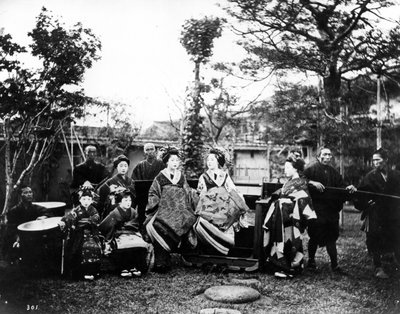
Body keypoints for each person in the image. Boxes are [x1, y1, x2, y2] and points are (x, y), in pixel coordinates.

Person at [144, 147, 197, 273]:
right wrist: (158, 204)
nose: (175, 162)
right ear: (167, 161)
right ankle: (161, 262)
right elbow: (153, 193)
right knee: (159, 225)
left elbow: (188, 192)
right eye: (172, 160)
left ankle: (181, 255)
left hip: (180, 210)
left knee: (187, 220)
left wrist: (194, 198)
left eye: (177, 160)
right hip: (164, 210)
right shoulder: (160, 177)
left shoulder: (181, 177)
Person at [303, 147, 356, 272]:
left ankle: (334, 265)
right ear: (318, 156)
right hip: (316, 209)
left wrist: (348, 187)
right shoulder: (310, 169)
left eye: (330, 155)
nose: (327, 157)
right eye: (325, 154)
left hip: (331, 210)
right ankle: (311, 261)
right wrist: (311, 182)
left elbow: (341, 185)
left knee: (331, 237)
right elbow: (300, 180)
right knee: (315, 236)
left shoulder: (334, 172)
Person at [263, 154, 316, 277]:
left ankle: (289, 268)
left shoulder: (301, 184)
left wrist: (286, 204)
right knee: (281, 240)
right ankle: (285, 266)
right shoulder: (289, 182)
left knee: (290, 240)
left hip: (292, 218)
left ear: (295, 169)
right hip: (282, 216)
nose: (285, 170)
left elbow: (304, 200)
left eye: (287, 167)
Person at [354, 148, 400, 279]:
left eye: (377, 160)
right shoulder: (370, 177)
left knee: (396, 237)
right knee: (375, 238)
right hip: (376, 213)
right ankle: (378, 267)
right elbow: (360, 195)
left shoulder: (396, 175)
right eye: (373, 160)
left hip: (393, 213)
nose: (375, 163)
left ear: (385, 160)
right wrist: (366, 203)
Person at [194, 148, 250, 255]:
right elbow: (201, 192)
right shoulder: (204, 177)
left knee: (230, 213)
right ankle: (210, 247)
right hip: (209, 204)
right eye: (208, 160)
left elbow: (231, 189)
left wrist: (239, 199)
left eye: (212, 160)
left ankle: (224, 246)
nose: (209, 162)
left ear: (218, 162)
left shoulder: (224, 175)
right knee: (205, 218)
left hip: (224, 204)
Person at [99, 189, 153, 278]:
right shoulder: (114, 213)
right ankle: (123, 268)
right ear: (119, 202)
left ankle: (134, 266)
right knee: (123, 246)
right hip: (118, 235)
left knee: (138, 244)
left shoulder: (133, 212)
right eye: (125, 200)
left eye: (130, 200)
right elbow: (106, 226)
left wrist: (129, 227)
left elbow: (136, 225)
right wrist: (109, 239)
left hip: (132, 233)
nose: (129, 203)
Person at [59, 185, 102, 280]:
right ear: (80, 200)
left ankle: (92, 271)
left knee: (94, 247)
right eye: (84, 199)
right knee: (80, 248)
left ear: (91, 200)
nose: (86, 201)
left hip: (91, 233)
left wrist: (88, 221)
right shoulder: (76, 210)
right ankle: (82, 272)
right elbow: (68, 217)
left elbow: (96, 218)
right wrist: (63, 221)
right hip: (79, 234)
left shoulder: (93, 210)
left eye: (88, 199)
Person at [4, 186, 53, 263]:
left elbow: (48, 212)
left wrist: (44, 217)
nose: (29, 194)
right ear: (20, 195)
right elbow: (11, 228)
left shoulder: (35, 208)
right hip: (21, 239)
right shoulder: (14, 211)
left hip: (35, 238)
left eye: (30, 192)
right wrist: (17, 239)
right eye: (26, 193)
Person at [131, 143, 166, 227]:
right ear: (144, 152)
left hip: (157, 194)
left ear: (155, 151)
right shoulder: (140, 165)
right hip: (143, 195)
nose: (150, 151)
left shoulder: (161, 164)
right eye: (147, 149)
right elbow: (135, 181)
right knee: (142, 212)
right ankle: (141, 226)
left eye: (151, 149)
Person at [97, 155, 136, 219]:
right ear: (116, 167)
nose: (123, 168)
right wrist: (110, 192)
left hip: (129, 208)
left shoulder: (131, 181)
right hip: (115, 210)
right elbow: (101, 191)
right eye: (121, 166)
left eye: (125, 166)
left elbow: (135, 196)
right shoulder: (111, 181)